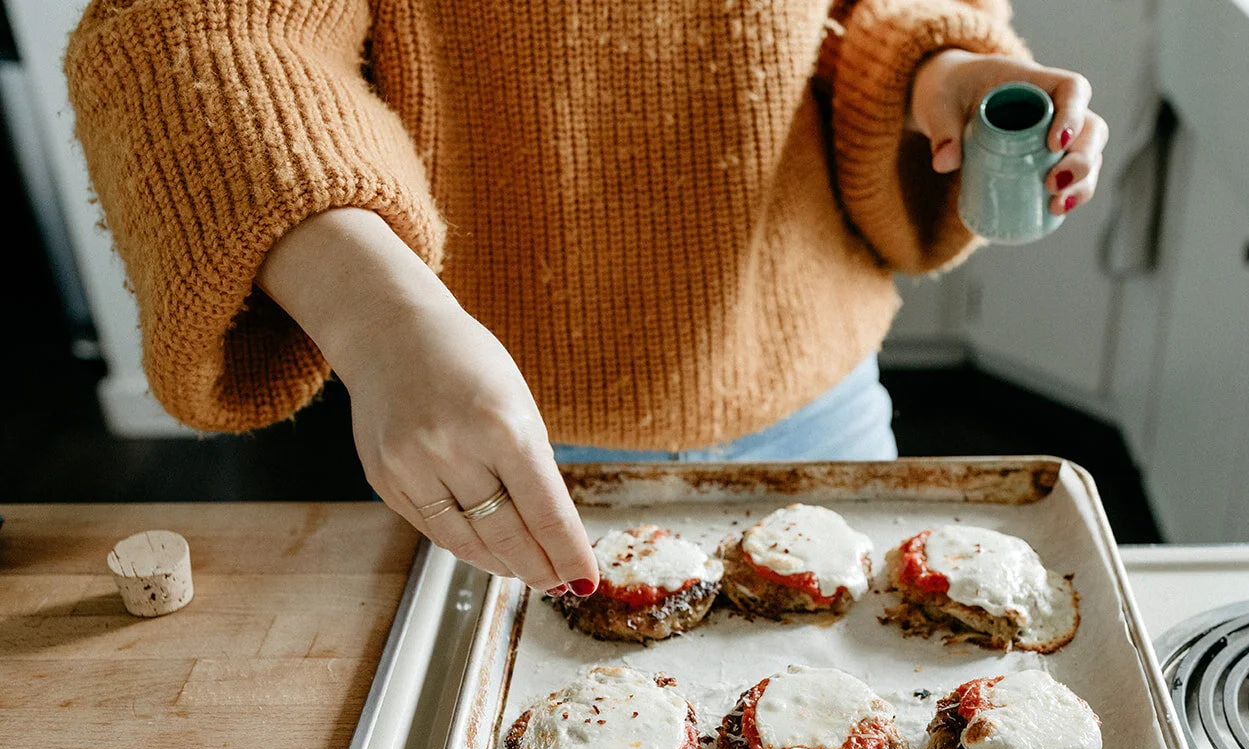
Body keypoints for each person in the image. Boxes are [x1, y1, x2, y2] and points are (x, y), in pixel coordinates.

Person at [66, 1, 1107, 598]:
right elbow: (188, 33)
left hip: (818, 400)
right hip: (489, 444)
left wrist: (940, 66)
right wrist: (378, 314)